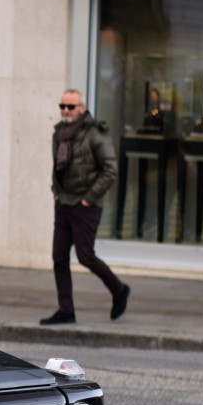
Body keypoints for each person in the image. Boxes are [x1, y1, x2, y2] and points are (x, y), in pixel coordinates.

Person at [42, 89, 130, 325]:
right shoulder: (59, 133)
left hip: (85, 205)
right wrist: (57, 194)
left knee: (85, 255)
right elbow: (58, 168)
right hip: (64, 202)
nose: (66, 111)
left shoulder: (95, 133)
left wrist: (89, 198)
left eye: (70, 107)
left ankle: (119, 290)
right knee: (59, 257)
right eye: (62, 106)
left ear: (81, 108)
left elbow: (110, 170)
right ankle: (66, 310)